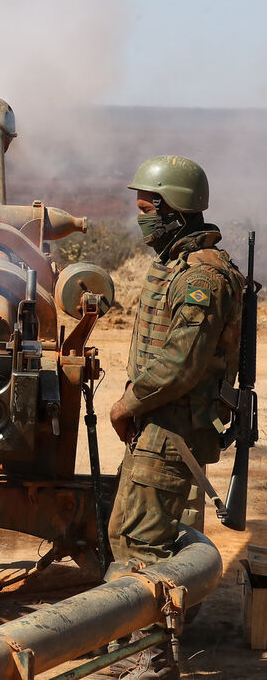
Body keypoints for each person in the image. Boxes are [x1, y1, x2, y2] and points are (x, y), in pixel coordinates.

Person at [102, 156, 244, 679]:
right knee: (129, 531)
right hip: (161, 424)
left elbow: (182, 363)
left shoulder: (201, 277)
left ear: (176, 211)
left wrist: (127, 403)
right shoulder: (183, 266)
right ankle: (129, 643)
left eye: (148, 207)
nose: (140, 218)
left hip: (171, 429)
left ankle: (153, 656)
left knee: (144, 543)